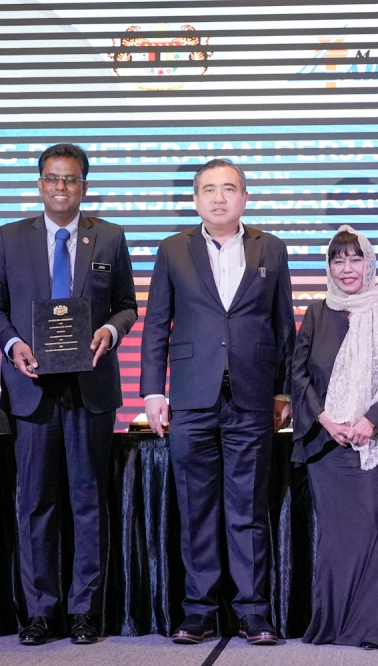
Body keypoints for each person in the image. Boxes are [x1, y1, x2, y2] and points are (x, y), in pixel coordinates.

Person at [0, 144, 137, 645]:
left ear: (84, 186)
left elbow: (126, 306)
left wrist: (109, 334)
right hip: (31, 389)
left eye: (71, 180)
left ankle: (84, 612)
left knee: (88, 501)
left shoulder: (109, 237)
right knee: (35, 504)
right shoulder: (10, 237)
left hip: (90, 388)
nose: (60, 188)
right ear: (39, 184)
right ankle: (39, 612)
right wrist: (12, 345)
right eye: (52, 178)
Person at [139, 158, 295, 646]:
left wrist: (283, 388)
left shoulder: (271, 247)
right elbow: (156, 325)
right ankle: (198, 611)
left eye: (229, 188)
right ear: (196, 199)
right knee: (196, 506)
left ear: (245, 197)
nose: (219, 197)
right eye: (209, 189)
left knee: (247, 508)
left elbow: (282, 325)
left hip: (251, 396)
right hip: (190, 396)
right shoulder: (172, 249)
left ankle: (254, 612)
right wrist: (153, 390)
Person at [291, 226, 378, 650]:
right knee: (334, 539)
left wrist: (372, 420)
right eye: (338, 260)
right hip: (328, 445)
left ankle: (370, 629)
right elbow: (299, 374)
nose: (347, 268)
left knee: (374, 532)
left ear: (370, 262)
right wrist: (326, 419)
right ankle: (330, 627)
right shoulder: (316, 311)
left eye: (355, 258)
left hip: (375, 444)